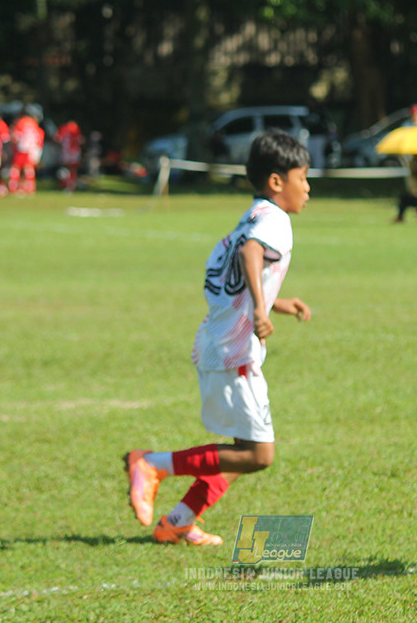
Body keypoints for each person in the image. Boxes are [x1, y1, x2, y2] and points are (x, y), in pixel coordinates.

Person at [123, 129, 312, 546]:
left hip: (218, 341)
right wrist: (262, 310)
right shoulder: (275, 220)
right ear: (277, 181)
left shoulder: (252, 215)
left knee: (242, 452)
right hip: (234, 350)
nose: (308, 188)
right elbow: (250, 256)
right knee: (258, 455)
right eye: (303, 177)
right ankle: (150, 464)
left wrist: (278, 302)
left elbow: (237, 276)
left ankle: (179, 520)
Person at [8, 110, 44, 195]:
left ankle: (13, 187)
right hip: (32, 149)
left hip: (22, 148)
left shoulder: (22, 122)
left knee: (16, 167)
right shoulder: (34, 124)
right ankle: (30, 187)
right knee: (29, 168)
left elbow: (16, 136)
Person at [54, 120, 84, 192]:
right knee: (72, 169)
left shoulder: (64, 128)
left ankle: (68, 184)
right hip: (74, 151)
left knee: (68, 168)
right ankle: (70, 184)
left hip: (66, 151)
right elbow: (79, 140)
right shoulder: (75, 128)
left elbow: (57, 139)